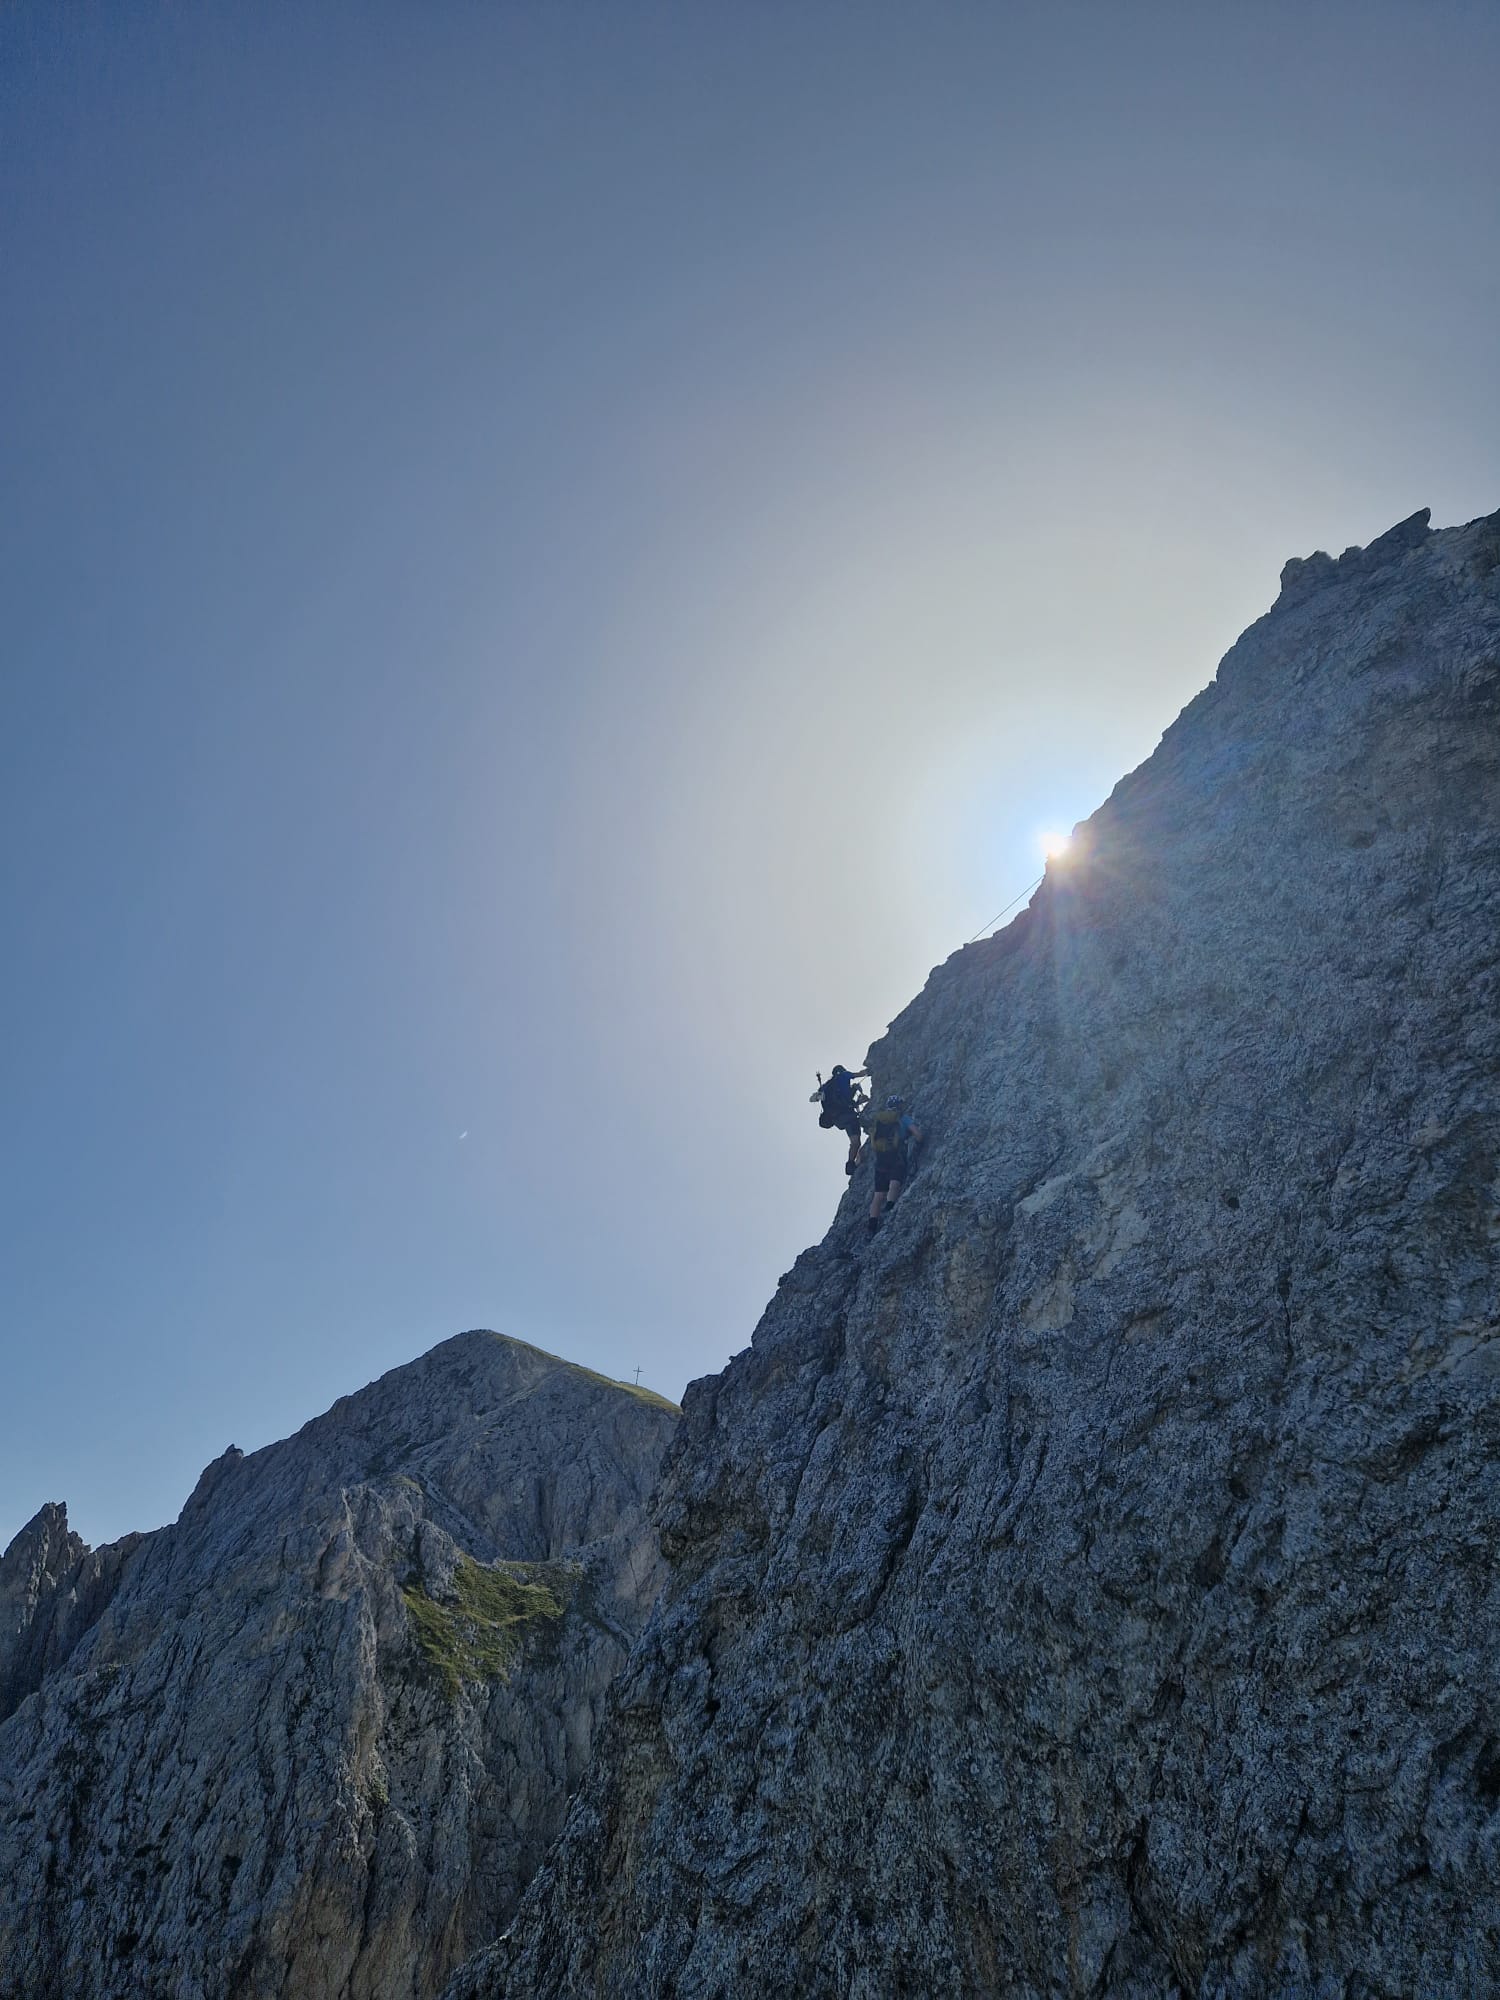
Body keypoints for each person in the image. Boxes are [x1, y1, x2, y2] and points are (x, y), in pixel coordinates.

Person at [866, 1093, 922, 1233]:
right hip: (896, 1154)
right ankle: (890, 1207)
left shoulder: (880, 1120)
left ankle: (872, 1225)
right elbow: (918, 1134)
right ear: (899, 1106)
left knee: (878, 1195)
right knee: (894, 1181)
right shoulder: (902, 1118)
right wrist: (920, 1142)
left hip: (880, 1157)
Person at [810, 1064, 870, 1174]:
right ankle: (850, 1165)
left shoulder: (826, 1086)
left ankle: (853, 1162)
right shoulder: (844, 1075)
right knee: (855, 1142)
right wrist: (872, 1068)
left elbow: (813, 1098)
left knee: (854, 1141)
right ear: (842, 1070)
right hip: (847, 1115)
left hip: (838, 1119)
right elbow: (861, 1074)